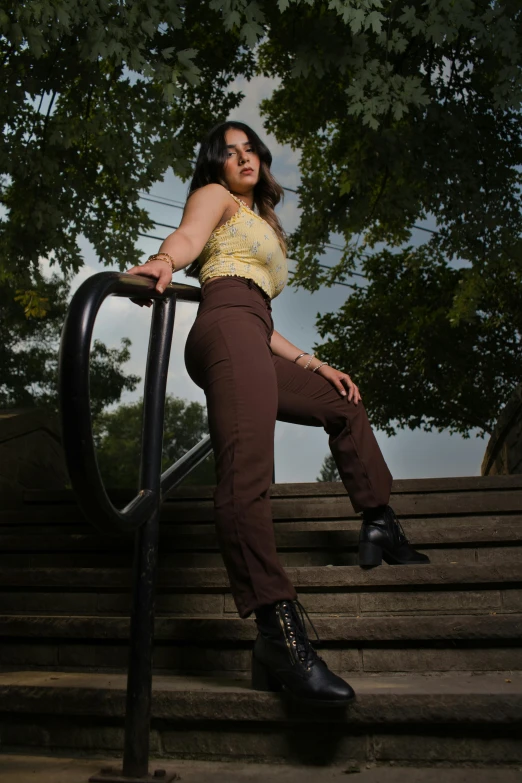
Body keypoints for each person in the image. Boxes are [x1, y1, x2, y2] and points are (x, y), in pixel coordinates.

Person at [127, 121, 429, 706]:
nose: (242, 158)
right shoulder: (215, 198)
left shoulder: (263, 221)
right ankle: (277, 630)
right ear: (217, 166)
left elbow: (258, 315)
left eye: (250, 150)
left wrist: (315, 364)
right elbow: (191, 240)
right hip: (224, 327)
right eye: (229, 152)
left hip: (253, 329)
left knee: (341, 401)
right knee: (247, 474)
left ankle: (379, 522)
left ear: (261, 160)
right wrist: (165, 259)